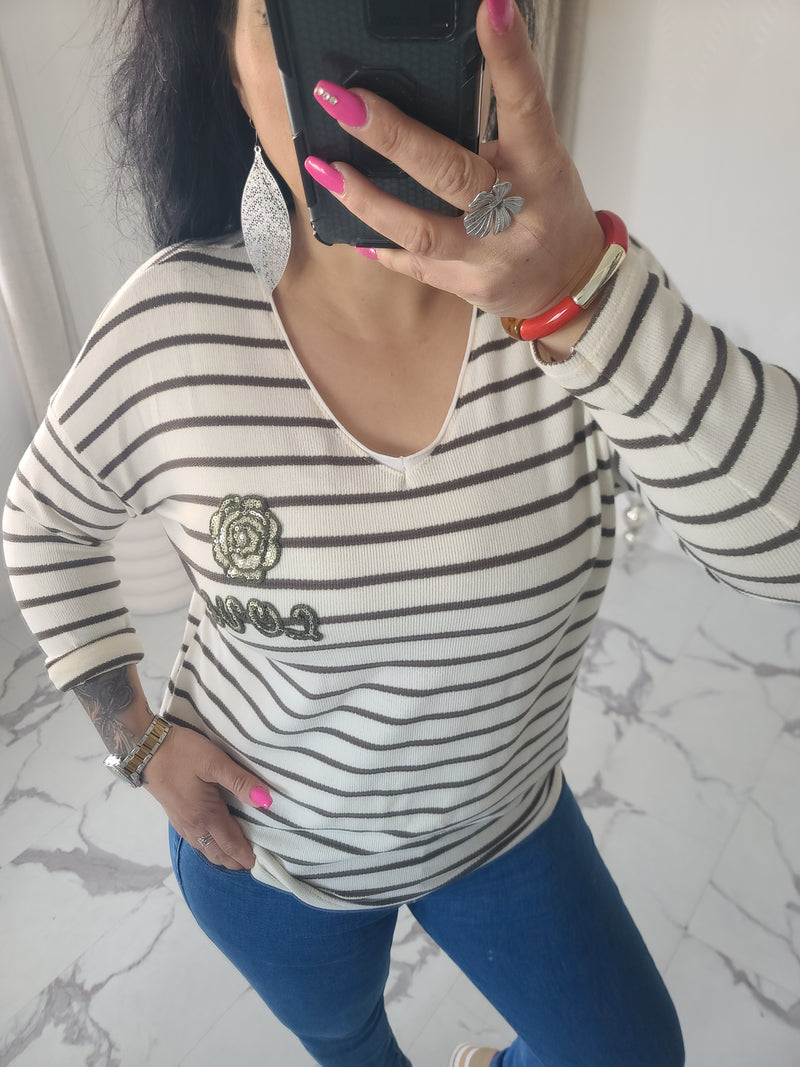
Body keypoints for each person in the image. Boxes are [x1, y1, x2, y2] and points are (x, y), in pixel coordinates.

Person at [3, 0, 799, 1064]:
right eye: (298, 10)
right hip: (270, 857)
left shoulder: (574, 311)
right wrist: (135, 737)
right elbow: (43, 523)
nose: (354, 57)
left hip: (506, 828)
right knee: (349, 1042)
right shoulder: (167, 328)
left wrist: (583, 306)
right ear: (226, 64)